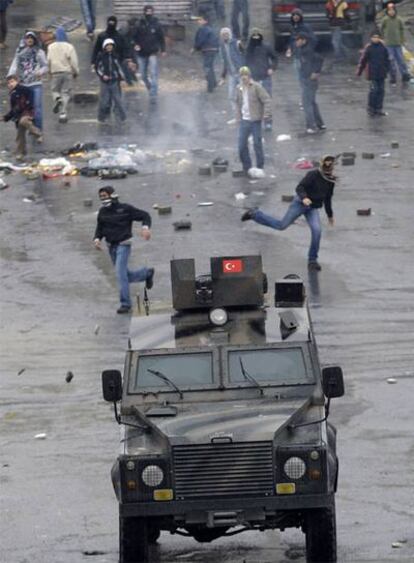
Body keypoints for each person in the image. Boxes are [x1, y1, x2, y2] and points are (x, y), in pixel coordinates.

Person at [241, 155, 337, 271]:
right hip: (300, 203)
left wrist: (330, 215)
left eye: (331, 166)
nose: (329, 169)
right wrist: (304, 198)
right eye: (326, 165)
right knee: (282, 225)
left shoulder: (330, 181)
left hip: (312, 208)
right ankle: (255, 214)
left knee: (317, 231)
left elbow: (327, 198)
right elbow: (300, 187)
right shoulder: (313, 175)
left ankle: (312, 260)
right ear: (322, 165)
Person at [94, 187, 155, 314]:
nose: (103, 199)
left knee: (120, 273)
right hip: (111, 245)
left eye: (105, 195)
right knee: (125, 275)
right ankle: (146, 273)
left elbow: (145, 215)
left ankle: (125, 304)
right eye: (101, 196)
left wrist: (145, 228)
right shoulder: (102, 212)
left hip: (124, 244)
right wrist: (97, 239)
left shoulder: (125, 209)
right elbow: (99, 227)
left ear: (112, 195)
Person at [8, 31, 48, 131]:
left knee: (37, 107)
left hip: (36, 84)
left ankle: (38, 130)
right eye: (27, 38)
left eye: (31, 38)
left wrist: (40, 72)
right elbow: (14, 64)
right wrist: (10, 76)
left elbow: (46, 66)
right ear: (24, 39)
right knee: (25, 107)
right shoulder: (19, 51)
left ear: (34, 40)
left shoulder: (39, 52)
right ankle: (29, 128)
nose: (29, 40)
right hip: (23, 84)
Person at [235, 66, 271, 174]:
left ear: (249, 76)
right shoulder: (239, 88)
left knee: (257, 143)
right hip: (244, 120)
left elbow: (267, 100)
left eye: (245, 75)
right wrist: (238, 117)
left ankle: (260, 166)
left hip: (255, 120)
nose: (244, 77)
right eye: (242, 75)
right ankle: (247, 167)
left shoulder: (256, 87)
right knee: (241, 145)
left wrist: (266, 114)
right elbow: (238, 103)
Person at [2, 75, 43, 160]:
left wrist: (29, 105)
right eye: (9, 83)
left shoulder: (23, 89)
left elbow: (30, 96)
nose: (10, 84)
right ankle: (21, 152)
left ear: (17, 81)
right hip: (19, 116)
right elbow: (13, 110)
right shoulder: (12, 94)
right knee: (20, 135)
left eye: (12, 81)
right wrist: (5, 117)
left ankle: (38, 133)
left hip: (27, 112)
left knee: (23, 121)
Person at [133, 4, 166, 102]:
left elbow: (161, 38)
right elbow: (133, 37)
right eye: (147, 12)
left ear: (153, 12)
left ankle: (153, 94)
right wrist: (135, 44)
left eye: (150, 12)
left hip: (152, 52)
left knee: (154, 74)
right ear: (144, 12)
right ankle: (150, 87)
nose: (149, 13)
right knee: (143, 75)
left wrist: (163, 50)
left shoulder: (156, 24)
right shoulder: (139, 24)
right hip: (141, 53)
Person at [47, 26, 79, 123]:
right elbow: (74, 61)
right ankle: (63, 113)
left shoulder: (50, 47)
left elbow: (48, 60)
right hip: (67, 72)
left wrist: (49, 71)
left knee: (54, 90)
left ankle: (57, 99)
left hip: (55, 72)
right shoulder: (69, 47)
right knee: (66, 92)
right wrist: (76, 72)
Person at [295, 32, 325, 134]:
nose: (296, 42)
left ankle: (311, 126)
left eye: (298, 40)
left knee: (307, 103)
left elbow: (320, 59)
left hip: (309, 79)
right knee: (311, 102)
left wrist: (316, 71)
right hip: (306, 78)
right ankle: (320, 124)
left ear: (304, 40)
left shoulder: (308, 50)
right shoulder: (302, 50)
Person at [356, 32, 390, 117]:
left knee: (381, 91)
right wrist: (359, 72)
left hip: (382, 73)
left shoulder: (383, 48)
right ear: (371, 38)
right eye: (374, 37)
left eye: (377, 37)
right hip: (372, 73)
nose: (375, 39)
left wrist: (388, 70)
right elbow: (363, 60)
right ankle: (371, 108)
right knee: (374, 91)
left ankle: (379, 109)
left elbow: (387, 59)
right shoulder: (369, 48)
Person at [95, 38, 127, 125]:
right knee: (104, 101)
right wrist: (102, 75)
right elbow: (97, 68)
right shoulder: (101, 56)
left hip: (114, 81)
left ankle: (123, 117)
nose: (109, 48)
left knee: (118, 100)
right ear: (104, 47)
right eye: (107, 46)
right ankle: (101, 117)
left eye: (111, 46)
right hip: (104, 82)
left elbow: (119, 68)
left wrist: (122, 79)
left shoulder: (115, 56)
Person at [380, 3, 411, 85]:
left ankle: (404, 74)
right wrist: (383, 38)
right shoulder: (385, 20)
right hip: (389, 44)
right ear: (387, 11)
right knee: (391, 61)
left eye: (392, 10)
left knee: (401, 60)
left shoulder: (399, 19)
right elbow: (381, 29)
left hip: (398, 44)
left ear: (395, 11)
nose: (391, 12)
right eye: (389, 10)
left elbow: (402, 30)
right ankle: (393, 77)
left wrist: (402, 39)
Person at [244, 28, 277, 97]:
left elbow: (274, 58)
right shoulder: (248, 48)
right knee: (253, 98)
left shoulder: (267, 47)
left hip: (265, 76)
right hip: (253, 77)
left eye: (258, 36)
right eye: (254, 37)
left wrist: (272, 68)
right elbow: (245, 61)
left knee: (267, 96)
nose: (256, 39)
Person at [219, 27, 244, 117]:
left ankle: (246, 116)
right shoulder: (222, 46)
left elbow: (244, 57)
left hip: (241, 74)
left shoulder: (237, 43)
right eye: (223, 34)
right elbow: (225, 62)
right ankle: (237, 115)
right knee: (231, 96)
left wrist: (246, 72)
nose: (225, 35)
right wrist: (223, 77)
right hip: (232, 75)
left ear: (230, 34)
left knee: (244, 95)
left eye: (226, 33)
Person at [193, 14, 220, 93]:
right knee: (210, 67)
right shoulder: (210, 28)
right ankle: (214, 83)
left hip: (208, 49)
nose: (198, 21)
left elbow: (201, 40)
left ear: (205, 21)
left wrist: (195, 48)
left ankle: (210, 86)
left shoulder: (203, 29)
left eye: (200, 20)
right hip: (213, 49)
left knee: (207, 67)